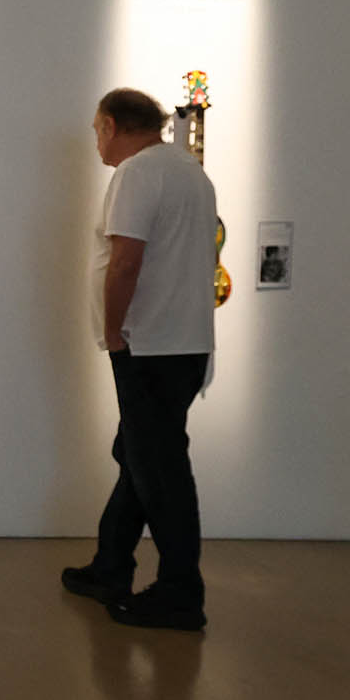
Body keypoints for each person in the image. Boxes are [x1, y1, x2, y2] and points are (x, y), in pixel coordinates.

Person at [62, 88, 218, 630]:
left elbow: (126, 260)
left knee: (161, 470)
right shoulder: (189, 171)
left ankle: (181, 592)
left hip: (148, 343)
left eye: (96, 131)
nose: (97, 143)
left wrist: (112, 330)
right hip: (184, 342)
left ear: (110, 124)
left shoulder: (136, 173)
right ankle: (110, 566)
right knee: (139, 456)